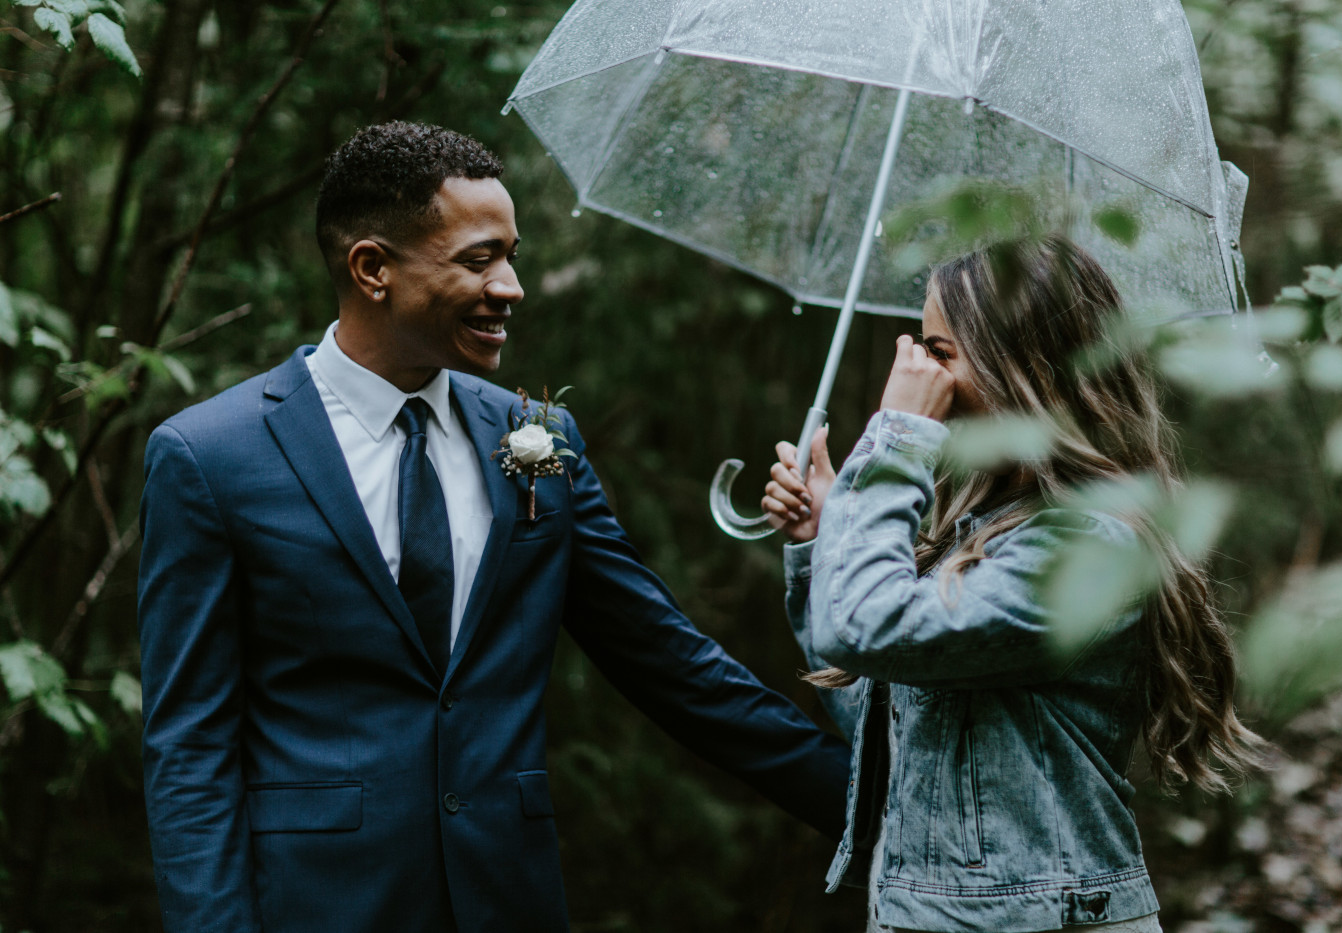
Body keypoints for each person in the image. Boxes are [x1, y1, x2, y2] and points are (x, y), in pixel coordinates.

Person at [137, 121, 850, 933]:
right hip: (315, 905)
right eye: (479, 259)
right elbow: (190, 749)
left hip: (507, 902)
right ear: (373, 268)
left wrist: (879, 806)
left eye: (513, 255)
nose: (510, 286)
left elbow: (672, 664)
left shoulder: (539, 440)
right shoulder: (210, 457)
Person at [762, 237, 1264, 932]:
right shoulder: (987, 531)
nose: (918, 373)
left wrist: (897, 436)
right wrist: (827, 535)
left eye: (940, 354)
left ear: (1022, 369)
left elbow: (863, 628)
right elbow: (892, 721)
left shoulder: (1087, 542)